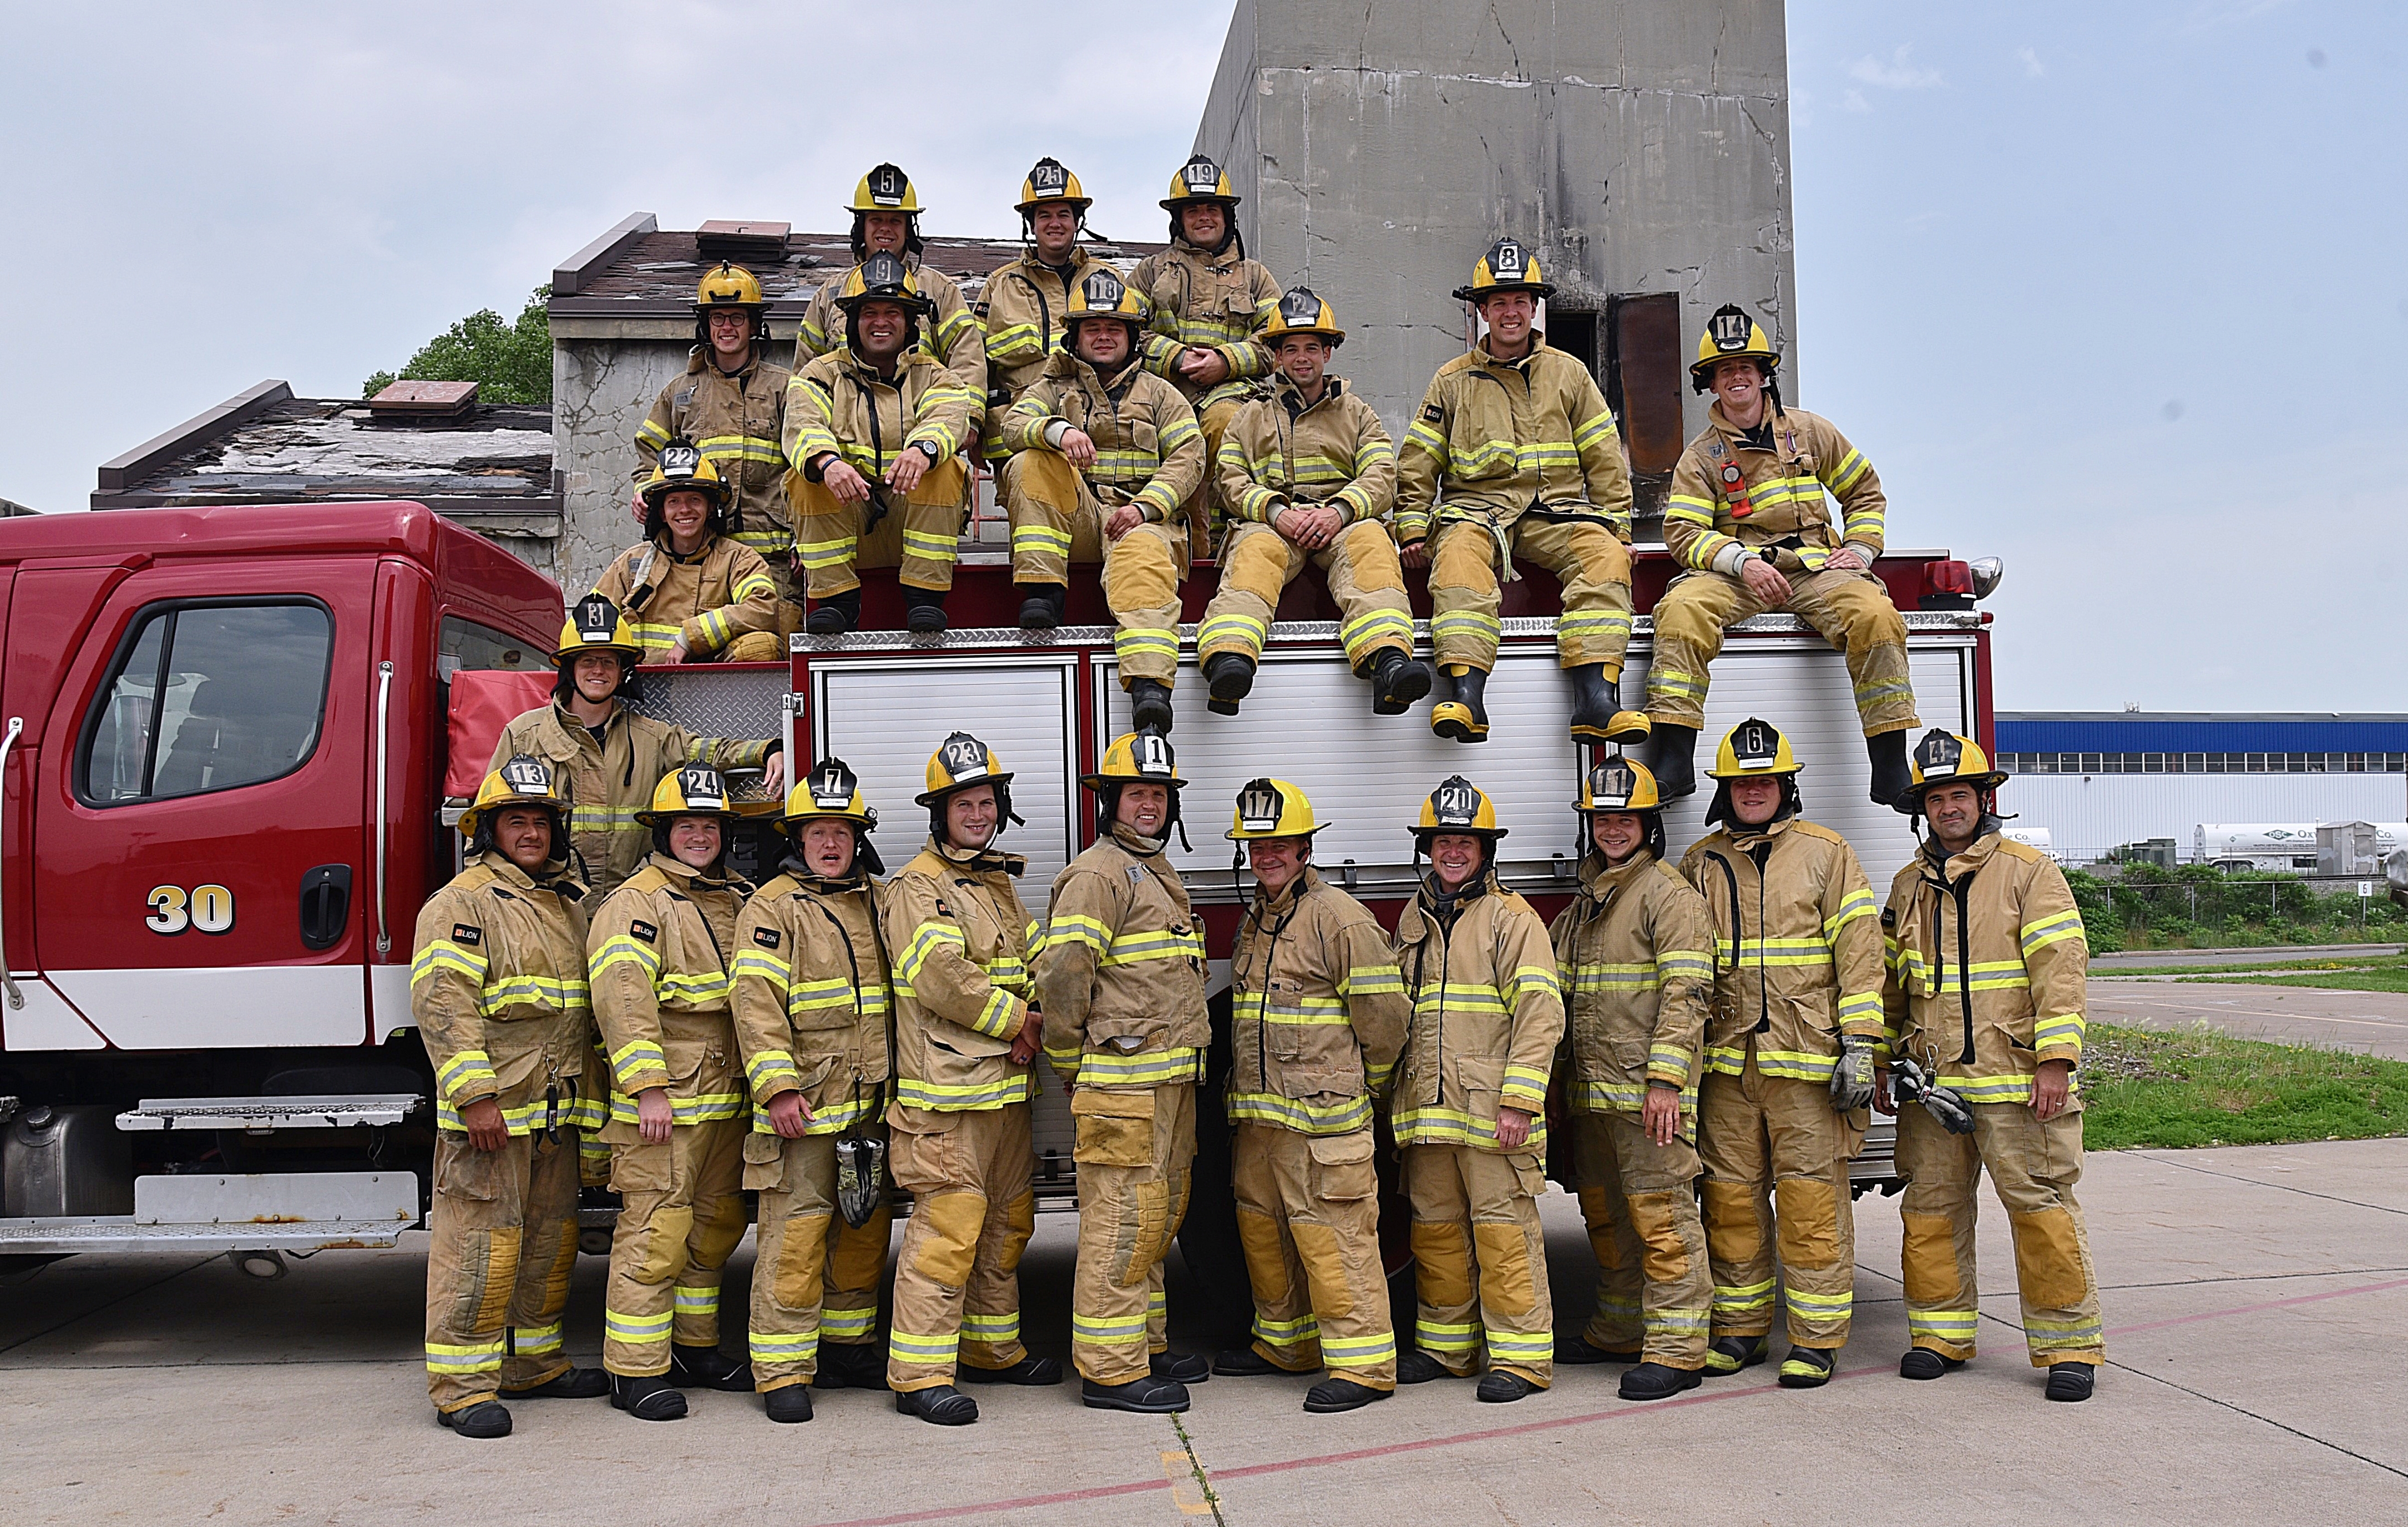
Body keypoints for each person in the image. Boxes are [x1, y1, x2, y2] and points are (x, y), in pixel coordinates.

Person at [1878, 730, 2102, 1402]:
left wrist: (2056, 1061)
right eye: (1936, 797)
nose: (1949, 807)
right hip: (1933, 1089)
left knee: (2040, 1210)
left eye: (1959, 794)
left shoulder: (2028, 872)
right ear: (1924, 809)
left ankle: (2067, 1345)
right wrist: (1890, 1061)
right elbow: (1891, 984)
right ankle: (1939, 1335)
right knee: (1930, 1211)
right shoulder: (1906, 885)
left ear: (1984, 799)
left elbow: (2059, 972)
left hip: (2015, 1085)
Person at [1678, 718, 1884, 1388]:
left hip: (1807, 1067)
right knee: (1730, 1201)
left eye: (1763, 780)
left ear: (1784, 784)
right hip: (1725, 1067)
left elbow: (1859, 955)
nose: (1752, 792)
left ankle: (1816, 1338)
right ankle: (1739, 1332)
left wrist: (1860, 1044)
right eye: (1741, 783)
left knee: (1810, 1203)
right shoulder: (1700, 862)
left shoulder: (1827, 854)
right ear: (1724, 792)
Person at [1642, 304, 1918, 805]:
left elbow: (1865, 492)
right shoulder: (1701, 458)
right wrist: (1741, 561)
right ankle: (1674, 761)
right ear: (1711, 382)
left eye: (1746, 366)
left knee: (1877, 615)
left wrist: (1858, 549)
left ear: (1764, 373)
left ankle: (1891, 766)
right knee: (1681, 611)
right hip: (1740, 573)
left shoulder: (1812, 432)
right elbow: (1683, 532)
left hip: (1817, 567)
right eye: (1725, 370)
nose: (1737, 377)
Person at [414, 756, 607, 1438]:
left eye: (540, 821)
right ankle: (463, 1386)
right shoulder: (462, 903)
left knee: (548, 1243)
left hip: (554, 1113)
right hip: (495, 1114)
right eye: (516, 820)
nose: (530, 832)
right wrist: (473, 1097)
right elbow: (444, 1005)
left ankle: (533, 1364)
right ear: (488, 830)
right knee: (480, 1246)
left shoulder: (564, 904)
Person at [1394, 238, 1648, 749]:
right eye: (1499, 303)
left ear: (1535, 308)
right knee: (1459, 561)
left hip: (1556, 514)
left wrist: (1618, 529)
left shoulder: (1569, 373)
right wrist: (1414, 530)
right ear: (1482, 310)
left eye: (1520, 301)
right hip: (1477, 515)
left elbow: (1604, 456)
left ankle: (1597, 700)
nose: (1510, 312)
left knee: (1602, 558)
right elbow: (1418, 463)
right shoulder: (1451, 381)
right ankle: (1467, 695)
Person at [1211, 777, 1409, 1413]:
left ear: (1304, 847)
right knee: (1263, 1233)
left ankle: (1364, 1364)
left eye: (1279, 843)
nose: (1265, 854)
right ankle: (1285, 1342)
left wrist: (1360, 1089)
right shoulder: (1258, 919)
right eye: (1255, 844)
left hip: (1324, 1126)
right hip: (1262, 1124)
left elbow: (1385, 1021)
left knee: (1335, 1239)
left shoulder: (1340, 918)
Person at [881, 733, 1060, 1423]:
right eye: (964, 803)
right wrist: (1021, 1022)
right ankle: (920, 1374)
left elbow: (1031, 956)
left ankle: (991, 1349)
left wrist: (1053, 1004)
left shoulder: (994, 881)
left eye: (986, 801)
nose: (978, 814)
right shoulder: (916, 887)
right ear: (940, 811)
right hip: (947, 1102)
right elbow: (941, 978)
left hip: (1003, 1095)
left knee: (1006, 1227)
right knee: (947, 1233)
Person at [1034, 733, 1212, 1412]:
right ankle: (1111, 1368)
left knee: (1157, 1218)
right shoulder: (1098, 874)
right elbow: (1062, 976)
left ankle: (1145, 1341)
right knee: (1122, 1222)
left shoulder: (1153, 869)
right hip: (1122, 1088)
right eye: (1136, 792)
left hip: (1165, 1087)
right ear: (1110, 800)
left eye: (1158, 794)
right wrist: (1075, 1065)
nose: (1149, 804)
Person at [587, 765, 756, 1421]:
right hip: (667, 1101)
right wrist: (648, 1088)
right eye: (686, 825)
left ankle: (693, 1347)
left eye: (709, 825)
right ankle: (633, 1371)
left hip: (723, 1095)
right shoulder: (637, 902)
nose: (698, 836)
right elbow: (623, 998)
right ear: (662, 831)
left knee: (711, 1230)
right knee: (656, 1230)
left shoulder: (736, 897)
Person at [732, 758, 899, 1423]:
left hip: (869, 1104)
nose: (831, 844)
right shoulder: (772, 906)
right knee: (796, 1235)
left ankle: (846, 1345)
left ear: (858, 838)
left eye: (842, 831)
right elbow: (755, 1002)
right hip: (804, 1106)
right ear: (795, 838)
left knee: (862, 1229)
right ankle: (780, 1369)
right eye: (817, 832)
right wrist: (777, 1088)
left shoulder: (877, 899)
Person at [1388, 777, 1565, 1403]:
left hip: (1492, 1113)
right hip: (1429, 1111)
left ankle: (1519, 1357)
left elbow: (1540, 1012)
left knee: (1502, 1232)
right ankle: (1446, 1345)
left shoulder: (1511, 918)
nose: (1452, 851)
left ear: (1485, 849)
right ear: (1427, 848)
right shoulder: (1413, 915)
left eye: (1464, 840)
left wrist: (1519, 1099)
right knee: (1434, 1230)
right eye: (1442, 840)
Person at [1547, 755, 1717, 1401]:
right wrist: (1559, 1082)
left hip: (1649, 1100)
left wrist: (1666, 1082)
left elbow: (1687, 991)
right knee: (1606, 1217)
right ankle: (1617, 1328)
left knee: (1663, 1220)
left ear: (1650, 823)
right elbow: (1560, 1000)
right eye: (1602, 819)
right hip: (1596, 1096)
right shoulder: (1587, 902)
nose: (1612, 829)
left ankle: (1677, 1349)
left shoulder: (1667, 896)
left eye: (1625, 818)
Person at [1198, 287, 1431, 718]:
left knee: (1373, 548)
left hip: (1341, 523)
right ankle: (1230, 660)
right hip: (1273, 525)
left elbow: (1382, 474)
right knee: (1253, 555)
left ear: (1328, 352)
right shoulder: (1248, 416)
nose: (1302, 358)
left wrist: (1339, 511)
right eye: (1291, 349)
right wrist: (1277, 513)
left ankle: (1389, 661)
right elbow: (1228, 480)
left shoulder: (1358, 413)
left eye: (1311, 347)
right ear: (1277, 357)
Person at [997, 269, 1203, 733]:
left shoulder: (1161, 394)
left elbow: (1190, 457)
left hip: (1142, 520)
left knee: (1143, 555)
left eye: (1115, 329)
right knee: (1030, 461)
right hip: (1082, 525)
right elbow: (1013, 427)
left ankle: (1151, 688)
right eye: (1093, 328)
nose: (1104, 337)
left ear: (1132, 337)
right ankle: (1042, 590)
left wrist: (1146, 507)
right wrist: (1058, 430)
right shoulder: (1052, 388)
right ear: (1076, 336)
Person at [488, 593, 785, 906]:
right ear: (570, 667)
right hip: (547, 907)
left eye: (609, 662)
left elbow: (706, 750)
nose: (598, 671)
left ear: (623, 671)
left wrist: (766, 751)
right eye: (588, 660)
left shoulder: (650, 738)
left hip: (629, 909)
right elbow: (489, 824)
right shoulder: (524, 736)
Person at [784, 252, 984, 636]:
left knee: (946, 468)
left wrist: (923, 450)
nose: (880, 323)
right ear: (853, 322)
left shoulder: (935, 375)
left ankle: (924, 598)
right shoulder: (821, 374)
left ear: (910, 323)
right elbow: (801, 422)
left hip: (911, 520)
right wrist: (827, 463)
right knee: (804, 476)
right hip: (850, 524)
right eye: (869, 313)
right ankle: (837, 601)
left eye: (892, 313)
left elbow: (949, 417)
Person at [1129, 154, 1281, 544]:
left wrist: (1224, 362)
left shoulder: (1255, 277)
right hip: (1161, 394)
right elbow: (1121, 336)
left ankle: (1215, 537)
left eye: (1212, 208)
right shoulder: (1150, 272)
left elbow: (1274, 343)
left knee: (1224, 423)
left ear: (1227, 216)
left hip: (1233, 392)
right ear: (1178, 219)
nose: (1203, 217)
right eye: (1192, 210)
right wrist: (1176, 357)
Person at [633, 262, 796, 611]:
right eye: (717, 318)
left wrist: (804, 541)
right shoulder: (681, 393)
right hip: (699, 559)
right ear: (705, 326)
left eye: (737, 318)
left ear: (754, 325)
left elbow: (806, 470)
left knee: (772, 647)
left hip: (772, 558)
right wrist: (642, 491)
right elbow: (650, 457)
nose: (727, 327)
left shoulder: (785, 389)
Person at [978, 158, 1109, 516]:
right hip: (1018, 423)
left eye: (1063, 214)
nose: (1055, 224)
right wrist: (976, 421)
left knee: (1097, 519)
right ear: (1031, 223)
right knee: (1030, 524)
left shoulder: (1107, 280)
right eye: (1044, 215)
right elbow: (975, 365)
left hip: (1094, 424)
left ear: (1078, 220)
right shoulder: (1001, 285)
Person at [795, 164, 985, 397]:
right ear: (861, 226)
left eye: (895, 221)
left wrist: (969, 419)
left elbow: (967, 359)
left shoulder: (940, 291)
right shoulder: (831, 294)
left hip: (923, 424)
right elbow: (806, 373)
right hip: (846, 428)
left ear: (908, 229)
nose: (886, 229)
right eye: (876, 220)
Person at [593, 441, 783, 663]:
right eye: (674, 501)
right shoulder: (632, 564)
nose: (685, 510)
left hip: (712, 688)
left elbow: (763, 609)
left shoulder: (738, 560)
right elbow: (590, 621)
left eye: (694, 499)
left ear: (711, 508)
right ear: (662, 513)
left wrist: (689, 637)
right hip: (643, 687)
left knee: (761, 646)